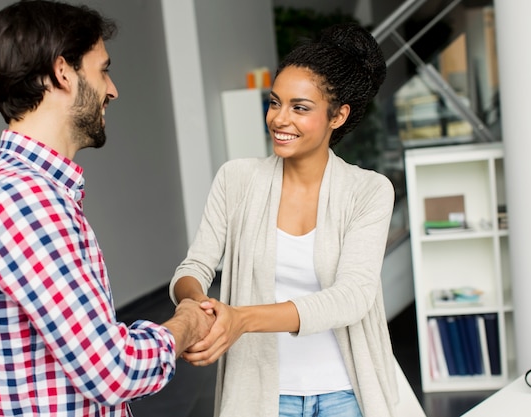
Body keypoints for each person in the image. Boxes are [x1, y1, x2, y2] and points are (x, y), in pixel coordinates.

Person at [0, 1, 214, 416]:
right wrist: (187, 323)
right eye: (103, 69)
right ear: (62, 73)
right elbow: (115, 372)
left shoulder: (15, 193)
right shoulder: (25, 202)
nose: (113, 89)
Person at [170, 21, 398, 417]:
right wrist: (198, 308)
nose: (279, 119)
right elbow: (195, 266)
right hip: (263, 394)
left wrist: (241, 319)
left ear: (338, 116)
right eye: (275, 102)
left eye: (300, 107)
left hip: (345, 393)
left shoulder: (369, 191)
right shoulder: (236, 179)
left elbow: (352, 297)